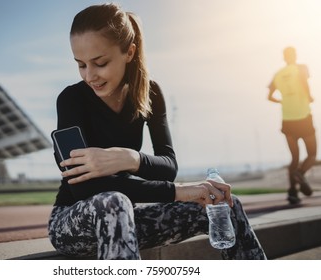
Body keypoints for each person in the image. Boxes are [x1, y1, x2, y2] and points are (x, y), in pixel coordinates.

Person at [48, 3, 266, 260]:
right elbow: (83, 189)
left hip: (125, 220)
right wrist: (179, 191)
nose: (90, 75)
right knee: (113, 202)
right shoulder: (71, 100)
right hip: (73, 225)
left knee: (225, 205)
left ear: (129, 52)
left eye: (100, 63)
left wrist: (131, 159)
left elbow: (168, 165)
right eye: (81, 65)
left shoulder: (150, 93)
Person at [268, 47, 317, 205]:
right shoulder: (301, 68)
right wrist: (309, 97)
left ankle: (292, 193)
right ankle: (301, 174)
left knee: (294, 158)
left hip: (287, 120)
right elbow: (304, 82)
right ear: (295, 55)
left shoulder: (278, 75)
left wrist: (282, 101)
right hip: (303, 117)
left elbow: (269, 96)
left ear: (284, 58)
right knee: (311, 154)